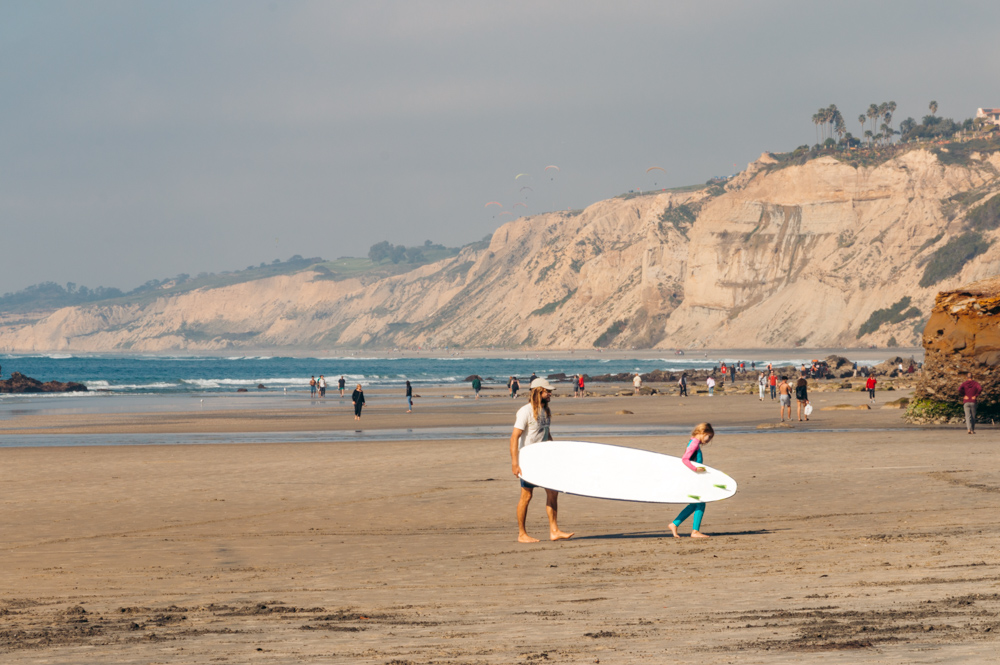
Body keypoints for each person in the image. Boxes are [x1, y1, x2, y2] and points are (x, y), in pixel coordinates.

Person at [509, 378, 573, 543]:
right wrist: (515, 463)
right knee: (526, 495)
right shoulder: (525, 411)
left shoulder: (545, 411)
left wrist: (554, 452)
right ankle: (522, 534)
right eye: (547, 391)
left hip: (545, 459)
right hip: (529, 460)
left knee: (553, 492)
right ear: (538, 391)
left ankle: (554, 530)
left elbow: (546, 434)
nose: (550, 394)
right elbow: (514, 438)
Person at [668, 423, 715, 539]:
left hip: (693, 477)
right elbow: (684, 459)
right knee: (701, 502)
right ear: (703, 432)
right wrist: (695, 468)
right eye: (708, 437)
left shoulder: (695, 443)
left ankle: (674, 524)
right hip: (692, 477)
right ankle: (694, 531)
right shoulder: (694, 443)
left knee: (696, 503)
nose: (709, 440)